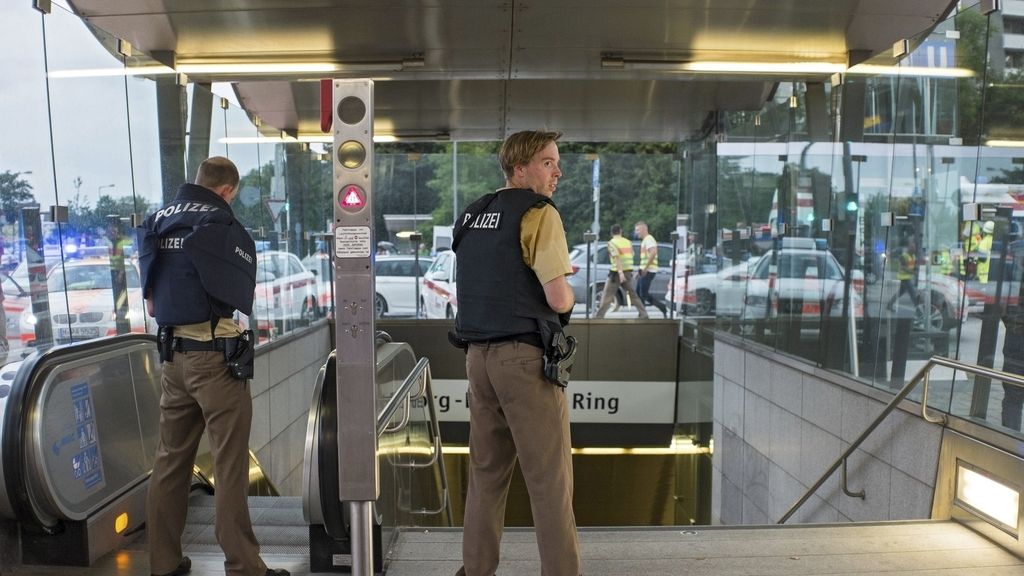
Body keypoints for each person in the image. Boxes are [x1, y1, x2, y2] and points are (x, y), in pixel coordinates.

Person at [138, 157, 288, 576]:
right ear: (227, 190)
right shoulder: (221, 225)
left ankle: (163, 563)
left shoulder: (158, 222)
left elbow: (151, 302)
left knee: (170, 462)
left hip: (172, 359)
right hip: (215, 360)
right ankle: (243, 565)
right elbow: (236, 295)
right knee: (229, 463)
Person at [449, 130, 581, 576]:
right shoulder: (538, 213)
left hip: (478, 360)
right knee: (549, 482)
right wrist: (568, 291)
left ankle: (475, 569)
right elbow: (558, 298)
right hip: (524, 362)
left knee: (486, 476)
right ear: (520, 168)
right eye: (548, 162)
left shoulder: (472, 215)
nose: (557, 171)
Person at [594, 224, 648, 319]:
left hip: (616, 273)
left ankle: (598, 317)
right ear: (621, 231)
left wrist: (620, 273)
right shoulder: (628, 242)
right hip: (628, 272)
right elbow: (632, 254)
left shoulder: (612, 243)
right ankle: (643, 314)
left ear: (612, 233)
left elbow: (617, 258)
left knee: (607, 295)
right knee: (633, 295)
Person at [633, 220, 667, 318]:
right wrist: (639, 271)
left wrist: (645, 269)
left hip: (649, 271)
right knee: (640, 293)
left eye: (638, 230)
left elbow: (653, 252)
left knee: (641, 294)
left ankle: (642, 315)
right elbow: (645, 258)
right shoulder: (645, 240)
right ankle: (661, 307)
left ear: (644, 229)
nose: (636, 233)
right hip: (645, 271)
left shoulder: (649, 239)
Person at [887, 237, 919, 312]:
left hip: (908, 277)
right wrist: (913, 272)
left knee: (900, 293)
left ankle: (889, 305)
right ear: (909, 248)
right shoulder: (904, 256)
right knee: (913, 293)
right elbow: (903, 267)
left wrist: (915, 270)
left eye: (914, 248)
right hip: (904, 278)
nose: (914, 249)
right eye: (912, 248)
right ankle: (919, 310)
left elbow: (912, 266)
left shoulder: (913, 256)